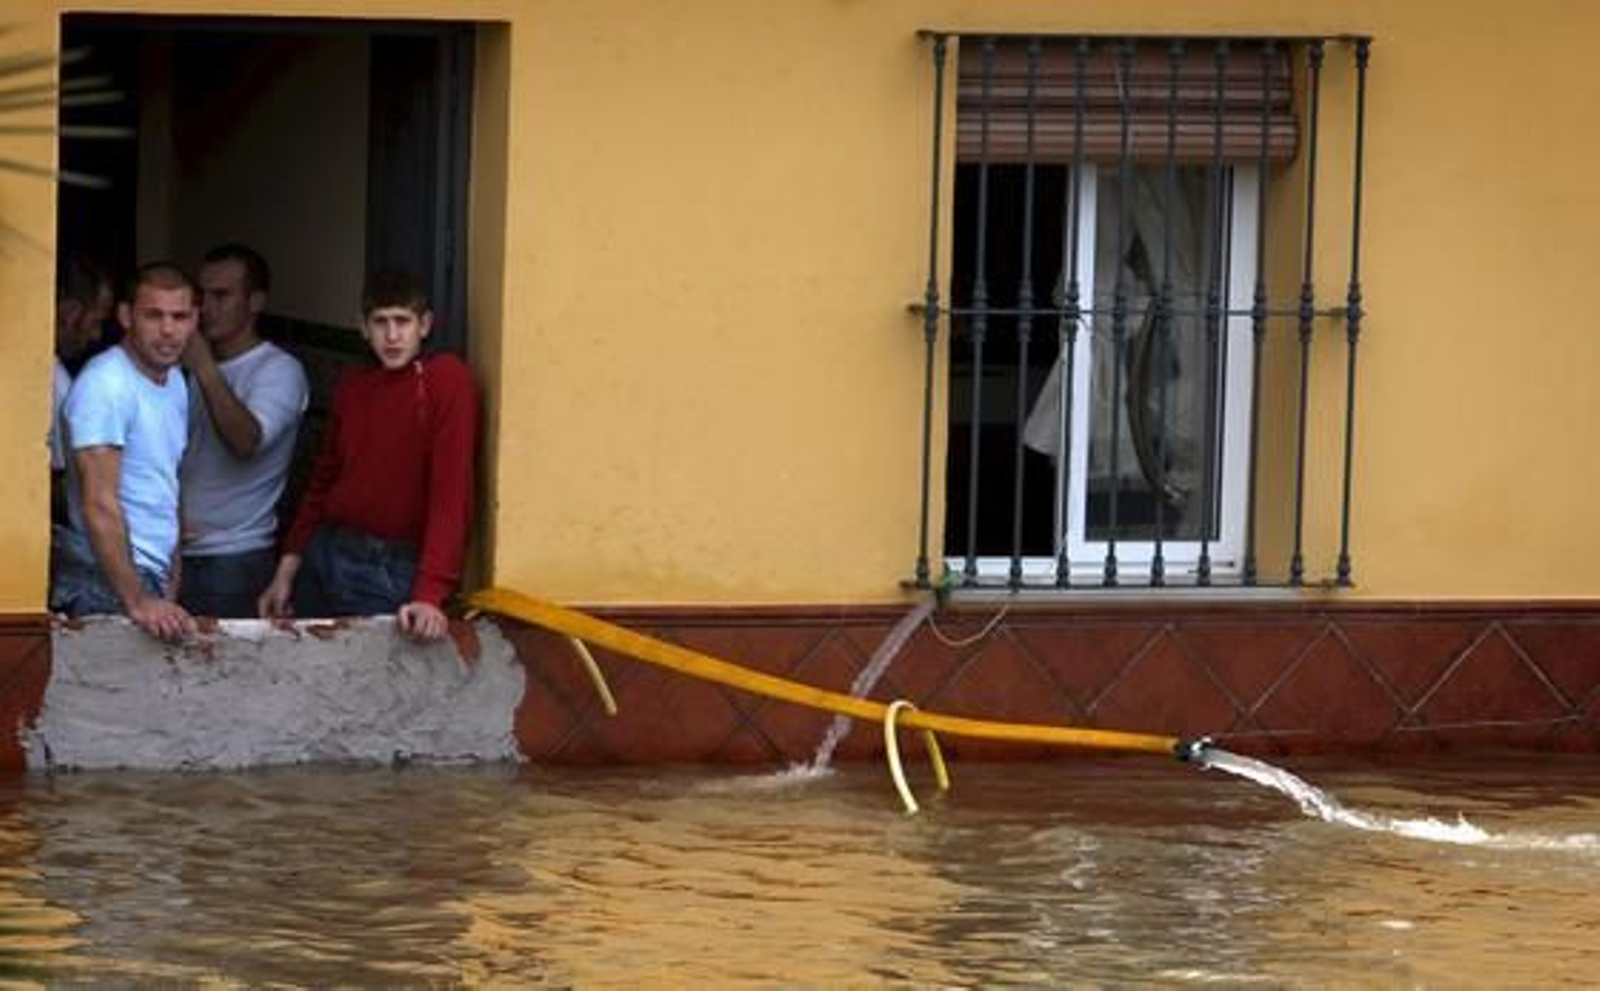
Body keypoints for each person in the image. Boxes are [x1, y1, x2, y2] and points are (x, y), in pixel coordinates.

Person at [258, 271, 478, 642]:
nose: (392, 336)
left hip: (391, 567)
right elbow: (323, 479)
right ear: (363, 327)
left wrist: (430, 594)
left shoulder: (446, 381)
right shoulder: (353, 384)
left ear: (424, 325)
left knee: (372, 693)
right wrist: (286, 569)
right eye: (381, 322)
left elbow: (452, 493)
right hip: (326, 551)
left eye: (403, 322)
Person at [52, 263, 199, 642]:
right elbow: (98, 502)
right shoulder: (106, 384)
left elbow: (169, 483)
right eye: (153, 315)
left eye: (179, 316)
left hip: (149, 576)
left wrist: (168, 583)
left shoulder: (176, 381)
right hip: (105, 577)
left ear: (194, 319)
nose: (168, 329)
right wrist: (136, 599)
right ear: (125, 316)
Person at [178, 244, 309, 618]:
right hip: (177, 555)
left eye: (222, 296)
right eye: (202, 296)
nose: (207, 308)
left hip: (234, 560)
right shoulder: (189, 369)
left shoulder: (280, 371)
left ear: (255, 302)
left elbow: (245, 441)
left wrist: (203, 366)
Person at [50, 255, 114, 525]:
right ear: (71, 311)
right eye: (96, 321)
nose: (97, 335)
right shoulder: (56, 385)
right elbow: (65, 488)